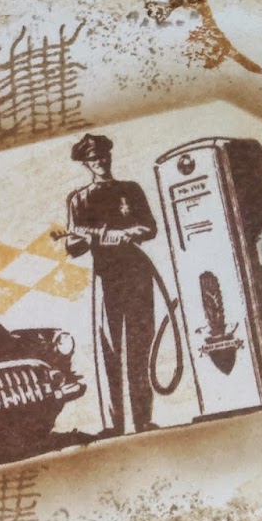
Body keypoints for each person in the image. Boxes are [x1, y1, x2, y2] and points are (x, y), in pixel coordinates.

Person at [59, 133, 159, 435]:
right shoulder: (79, 199)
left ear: (110, 157)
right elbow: (72, 246)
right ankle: (116, 424)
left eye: (103, 156)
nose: (100, 162)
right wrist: (89, 238)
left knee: (141, 344)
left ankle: (142, 420)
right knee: (110, 349)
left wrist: (127, 233)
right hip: (107, 278)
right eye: (94, 159)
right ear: (86, 164)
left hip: (138, 273)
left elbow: (150, 227)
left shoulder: (130, 190)